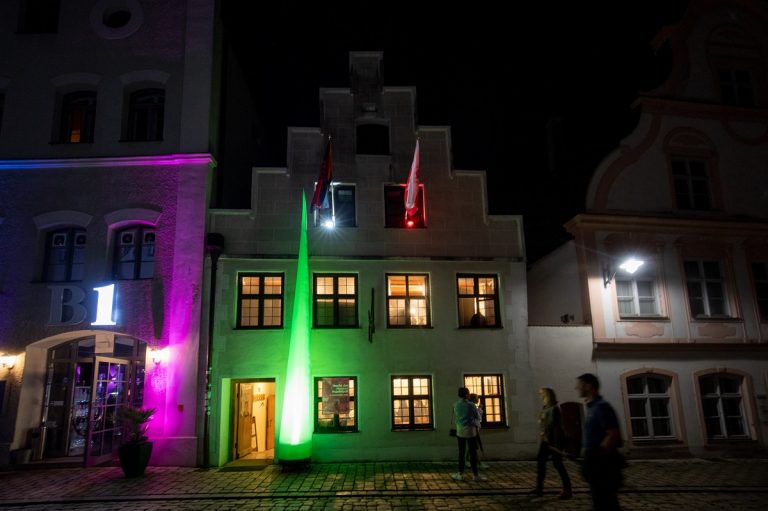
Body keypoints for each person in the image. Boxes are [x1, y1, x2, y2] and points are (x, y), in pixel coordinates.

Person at [576, 373, 624, 511]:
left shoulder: (601, 407)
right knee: (601, 503)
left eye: (579, 385)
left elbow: (613, 435)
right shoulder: (592, 407)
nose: (576, 388)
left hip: (603, 467)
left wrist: (595, 458)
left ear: (589, 386)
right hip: (597, 466)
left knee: (606, 503)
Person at [532, 387, 572, 499]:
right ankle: (539, 488)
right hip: (545, 441)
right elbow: (545, 422)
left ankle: (568, 489)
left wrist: (557, 446)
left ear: (548, 395)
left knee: (558, 464)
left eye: (542, 394)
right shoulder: (545, 407)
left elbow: (556, 427)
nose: (540, 395)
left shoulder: (554, 408)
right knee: (541, 463)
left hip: (553, 441)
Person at [451, 387, 486, 481]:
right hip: (471, 431)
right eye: (468, 393)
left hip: (460, 431)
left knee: (461, 453)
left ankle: (460, 474)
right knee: (473, 453)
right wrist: (480, 410)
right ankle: (475, 475)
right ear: (466, 394)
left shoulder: (455, 404)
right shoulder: (471, 405)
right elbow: (478, 417)